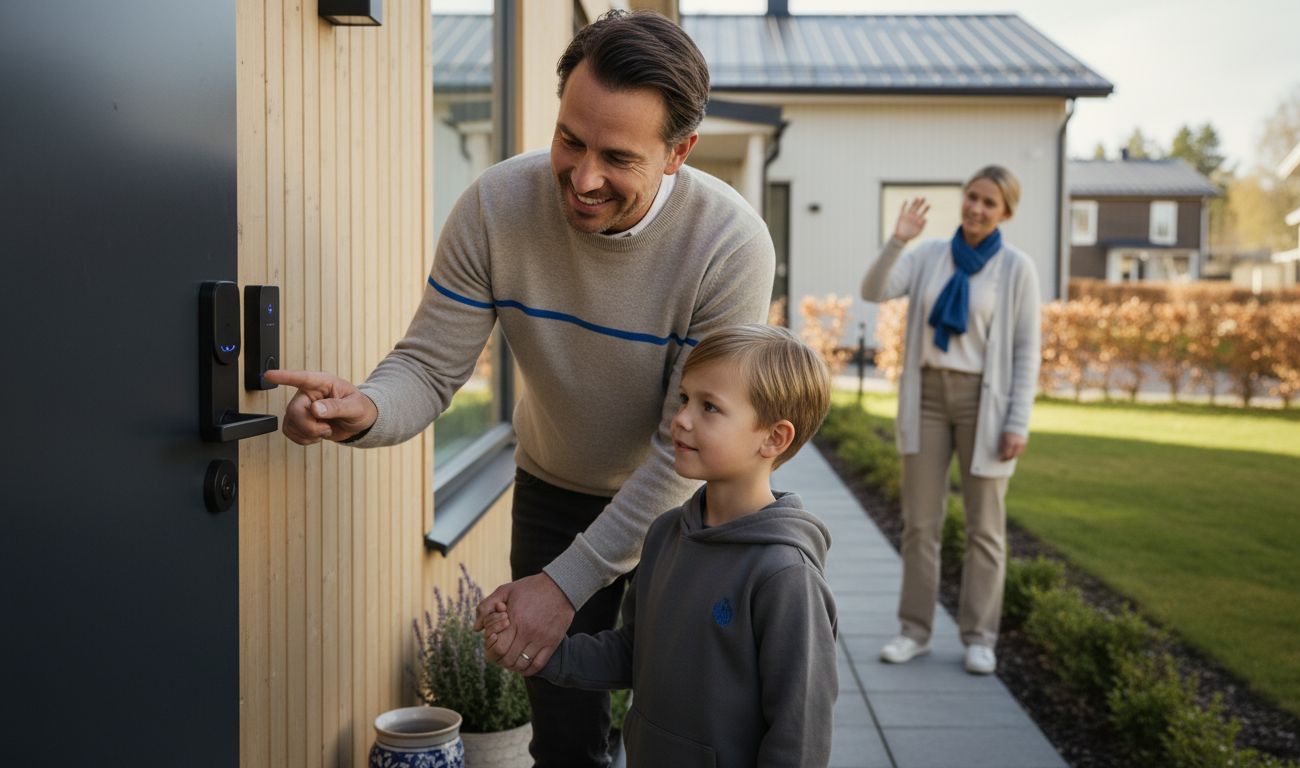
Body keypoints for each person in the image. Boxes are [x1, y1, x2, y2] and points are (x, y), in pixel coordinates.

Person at [266, 10, 774, 766]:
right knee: (566, 742)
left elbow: (683, 449)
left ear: (679, 153)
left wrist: (561, 586)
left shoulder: (729, 245)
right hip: (557, 487)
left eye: (618, 157)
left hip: (692, 507)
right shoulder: (497, 206)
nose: (584, 177)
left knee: (686, 734)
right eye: (570, 138)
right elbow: (431, 368)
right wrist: (365, 407)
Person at [480, 324, 837, 768]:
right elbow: (633, 654)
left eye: (710, 407)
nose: (681, 419)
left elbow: (799, 733)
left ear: (773, 438)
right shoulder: (666, 533)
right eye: (684, 398)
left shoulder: (785, 575)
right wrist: (540, 654)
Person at [858, 166, 1041, 676]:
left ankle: (980, 636)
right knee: (921, 524)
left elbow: (1027, 351)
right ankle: (914, 630)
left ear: (1005, 212)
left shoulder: (1015, 268)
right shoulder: (928, 255)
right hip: (928, 399)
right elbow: (874, 290)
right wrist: (898, 240)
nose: (977, 209)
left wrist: (1017, 421)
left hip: (985, 405)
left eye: (989, 203)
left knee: (986, 528)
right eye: (972, 198)